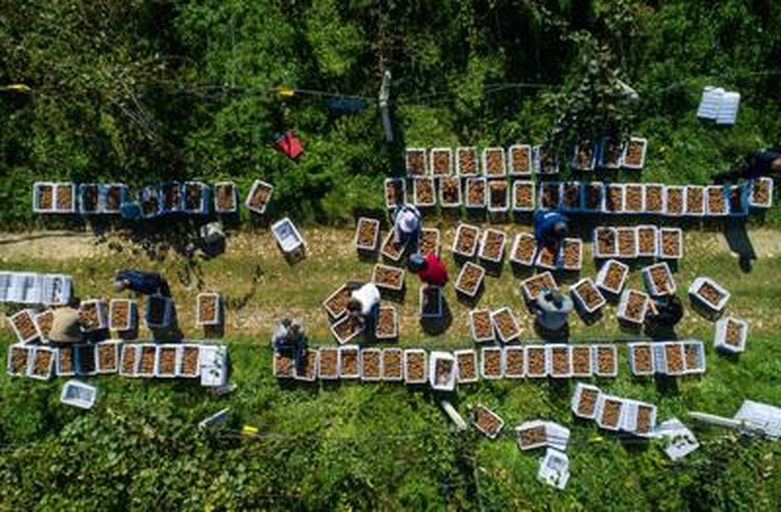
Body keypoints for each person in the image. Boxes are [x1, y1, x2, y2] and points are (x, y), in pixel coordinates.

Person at [713, 148, 781, 183]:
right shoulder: (765, 156)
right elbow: (752, 153)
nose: (778, 167)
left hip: (758, 171)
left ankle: (727, 178)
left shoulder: (775, 173)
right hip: (754, 163)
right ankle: (719, 177)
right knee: (738, 172)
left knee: (744, 175)